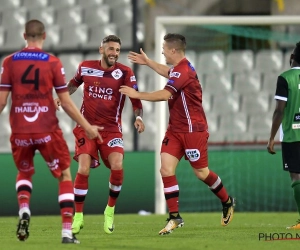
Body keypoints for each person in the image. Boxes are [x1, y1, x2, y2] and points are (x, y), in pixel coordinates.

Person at [120, 33, 235, 235]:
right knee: (166, 169)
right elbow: (169, 72)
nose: (162, 51)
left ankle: (226, 200)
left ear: (173, 50)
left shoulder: (183, 71)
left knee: (201, 173)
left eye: (164, 48)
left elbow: (165, 94)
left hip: (193, 130)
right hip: (175, 130)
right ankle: (175, 217)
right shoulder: (179, 69)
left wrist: (138, 94)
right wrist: (148, 62)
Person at [0, 20, 103, 244]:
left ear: (24, 35)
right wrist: (87, 126)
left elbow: (1, 102)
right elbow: (65, 102)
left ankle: (24, 209)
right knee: (64, 175)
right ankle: (66, 232)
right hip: (47, 129)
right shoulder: (53, 62)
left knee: (25, 173)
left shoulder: (8, 62)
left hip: (19, 129)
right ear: (44, 36)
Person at [54, 35, 144, 235]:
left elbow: (135, 99)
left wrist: (139, 118)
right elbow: (73, 84)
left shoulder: (125, 72)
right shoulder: (85, 66)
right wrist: (61, 97)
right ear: (101, 49)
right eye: (111, 49)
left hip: (111, 129)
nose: (114, 53)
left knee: (118, 165)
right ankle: (78, 217)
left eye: (118, 50)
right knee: (84, 169)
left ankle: (110, 210)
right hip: (86, 127)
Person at [267, 42, 300, 229]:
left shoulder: (285, 78)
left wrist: (271, 138)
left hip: (293, 135)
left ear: (292, 58)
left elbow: (279, 111)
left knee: (296, 177)